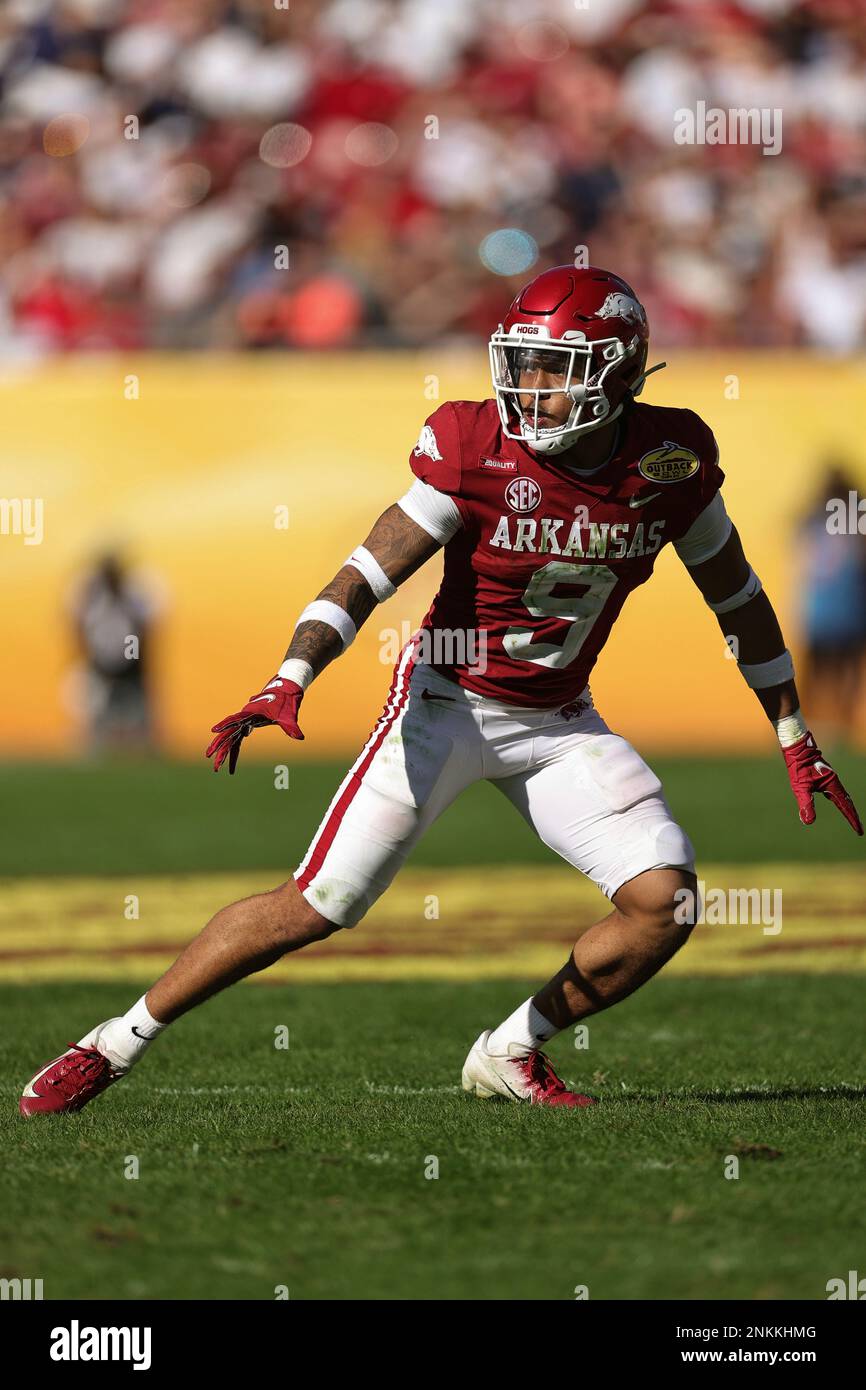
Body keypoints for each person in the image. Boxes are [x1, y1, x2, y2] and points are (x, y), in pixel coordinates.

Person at [21, 266, 862, 1117]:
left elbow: (737, 597)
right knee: (318, 904)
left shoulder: (668, 461)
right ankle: (112, 1043)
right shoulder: (474, 446)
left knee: (665, 904)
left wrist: (793, 732)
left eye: (554, 368)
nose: (529, 387)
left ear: (617, 372)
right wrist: (291, 675)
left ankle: (511, 1050)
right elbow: (365, 574)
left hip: (560, 723)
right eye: (523, 363)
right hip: (443, 706)